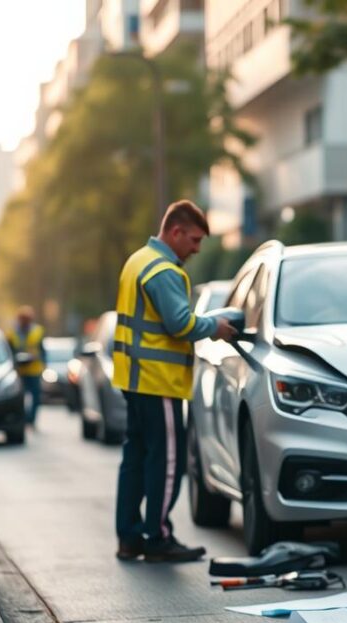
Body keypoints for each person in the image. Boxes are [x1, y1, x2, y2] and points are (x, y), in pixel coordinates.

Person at [112, 200, 236, 563]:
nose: (197, 249)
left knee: (135, 458)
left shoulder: (137, 260)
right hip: (158, 381)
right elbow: (180, 324)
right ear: (175, 231)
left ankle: (130, 537)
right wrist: (216, 326)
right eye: (194, 240)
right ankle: (159, 537)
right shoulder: (165, 270)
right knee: (167, 461)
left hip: (133, 379)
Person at [6, 305, 45, 428]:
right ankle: (22, 417)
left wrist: (44, 365)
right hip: (19, 371)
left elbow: (42, 351)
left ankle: (31, 419)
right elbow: (9, 351)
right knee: (19, 398)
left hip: (34, 369)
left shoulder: (37, 331)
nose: (25, 321)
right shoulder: (12, 333)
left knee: (36, 397)